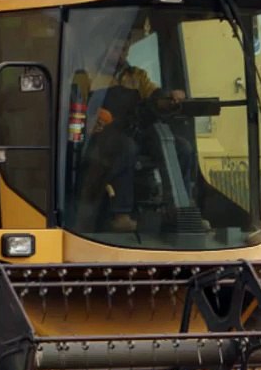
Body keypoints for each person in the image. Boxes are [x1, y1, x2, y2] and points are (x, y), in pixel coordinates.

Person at [77, 30, 196, 233]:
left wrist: (171, 99)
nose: (121, 54)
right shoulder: (86, 75)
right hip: (100, 137)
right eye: (116, 48)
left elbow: (156, 97)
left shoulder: (137, 76)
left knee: (182, 147)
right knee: (127, 147)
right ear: (103, 48)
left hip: (134, 130)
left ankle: (180, 212)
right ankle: (120, 214)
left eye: (124, 49)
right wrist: (88, 122)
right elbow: (74, 107)